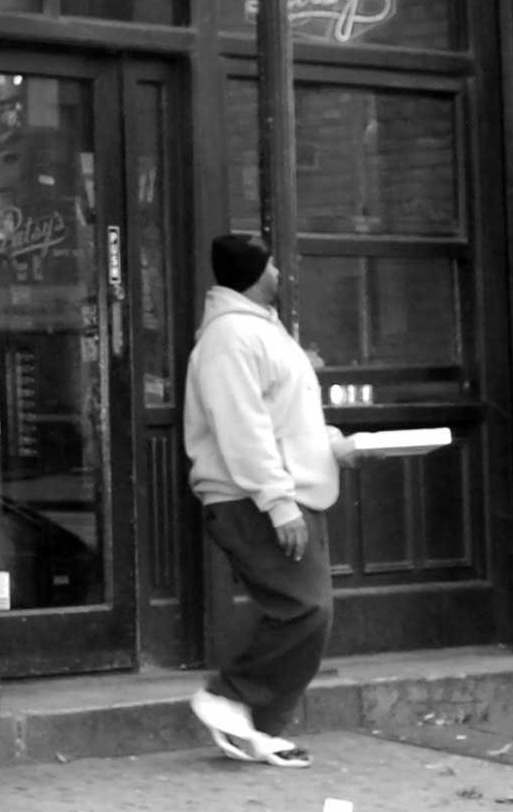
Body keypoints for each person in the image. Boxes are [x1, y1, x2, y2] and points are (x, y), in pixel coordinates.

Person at [183, 232, 355, 769]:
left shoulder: (257, 332)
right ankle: (228, 695)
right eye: (274, 265)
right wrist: (278, 503)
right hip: (252, 500)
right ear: (257, 273)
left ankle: (257, 729)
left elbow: (283, 419)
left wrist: (334, 447)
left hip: (281, 493)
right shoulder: (230, 339)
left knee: (306, 613)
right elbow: (243, 429)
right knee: (302, 609)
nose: (281, 273)